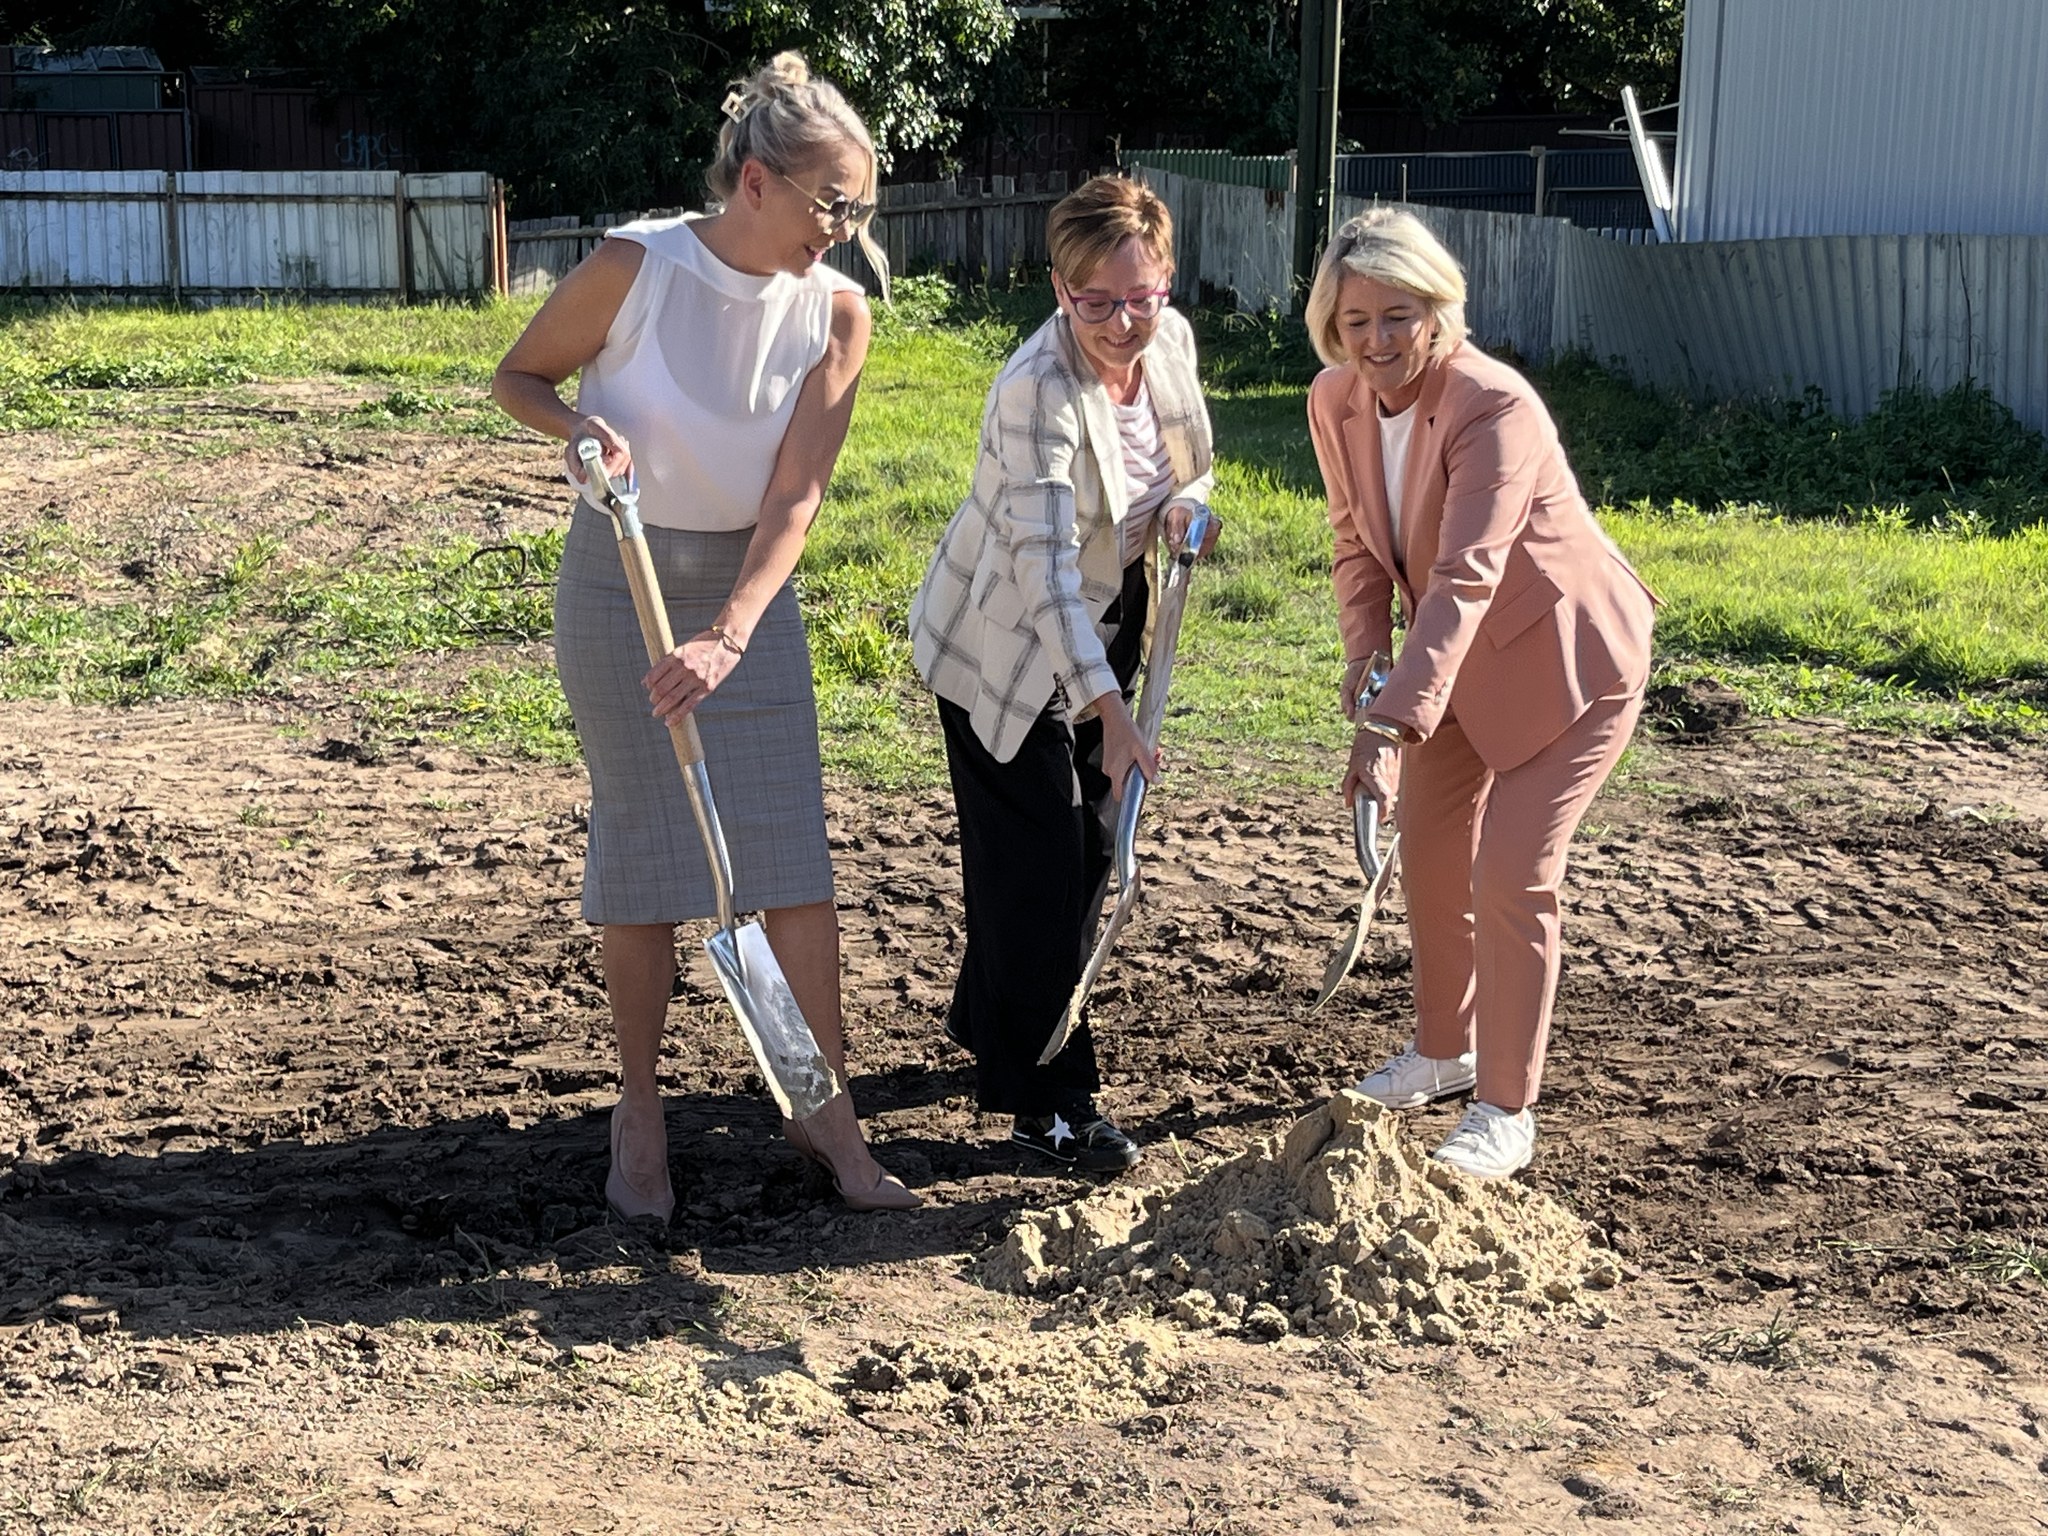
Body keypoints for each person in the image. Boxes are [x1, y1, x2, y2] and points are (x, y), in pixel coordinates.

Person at [491, 52, 917, 1219]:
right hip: (619, 582)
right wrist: (578, 430)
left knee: (788, 863)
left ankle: (823, 1114)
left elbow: (796, 497)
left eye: (859, 210)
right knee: (642, 856)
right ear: (756, 183)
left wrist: (730, 631)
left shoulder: (836, 312)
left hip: (746, 597)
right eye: (832, 205)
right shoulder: (636, 267)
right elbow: (518, 376)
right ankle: (639, 1115)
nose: (844, 231)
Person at [1304, 208, 1657, 1180]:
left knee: (1511, 870)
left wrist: (1386, 728)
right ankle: (1442, 1051)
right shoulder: (1333, 400)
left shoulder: (1493, 405)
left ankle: (1504, 1108)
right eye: (1357, 320)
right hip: (1449, 656)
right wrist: (1368, 667)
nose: (1378, 340)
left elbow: (1466, 572)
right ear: (1331, 324)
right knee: (1426, 843)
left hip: (1564, 657)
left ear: (1436, 309)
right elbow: (1354, 545)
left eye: (1399, 315)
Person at [910, 174, 1218, 1174]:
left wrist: (1187, 508)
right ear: (1059, 289)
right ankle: (1048, 1101)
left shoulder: (1166, 343)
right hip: (1001, 649)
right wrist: (1110, 715)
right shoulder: (1034, 388)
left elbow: (1191, 463)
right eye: (1096, 303)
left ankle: (988, 1016)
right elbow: (1041, 572)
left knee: (1075, 855)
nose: (1123, 323)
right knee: (1045, 865)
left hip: (1107, 627)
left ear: (1166, 280)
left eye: (1142, 297)